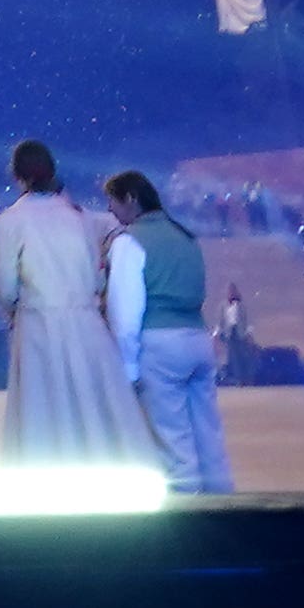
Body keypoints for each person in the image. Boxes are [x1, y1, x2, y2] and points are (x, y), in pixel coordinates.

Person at [0, 144, 128, 462]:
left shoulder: (8, 222)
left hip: (38, 322)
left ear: (17, 176)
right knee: (93, 403)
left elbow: (4, 284)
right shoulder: (82, 218)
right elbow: (103, 264)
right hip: (86, 321)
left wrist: (14, 310)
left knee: (42, 408)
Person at [97, 173, 230, 495]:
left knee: (173, 439)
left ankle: (187, 516)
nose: (110, 210)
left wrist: (128, 367)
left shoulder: (129, 242)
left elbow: (125, 312)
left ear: (130, 198)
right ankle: (224, 504)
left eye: (112, 201)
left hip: (158, 346)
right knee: (207, 435)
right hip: (198, 339)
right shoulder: (185, 236)